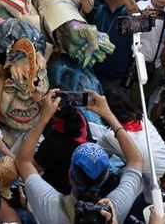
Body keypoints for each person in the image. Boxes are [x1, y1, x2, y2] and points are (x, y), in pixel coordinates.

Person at [16, 89, 143, 224]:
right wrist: (108, 114)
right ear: (106, 177)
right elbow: (136, 161)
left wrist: (44, 117)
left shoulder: (49, 203)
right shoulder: (114, 209)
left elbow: (23, 162)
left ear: (70, 176)